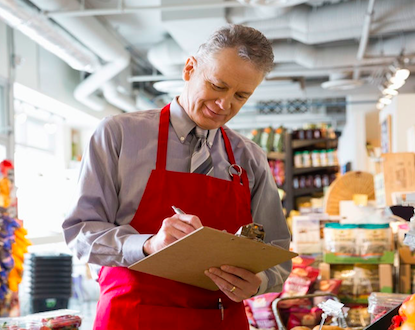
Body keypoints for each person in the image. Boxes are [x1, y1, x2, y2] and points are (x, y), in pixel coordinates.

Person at [63, 24, 291, 330]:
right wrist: (147, 245)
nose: (225, 105)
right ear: (189, 68)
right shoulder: (118, 135)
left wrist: (259, 281)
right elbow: (81, 232)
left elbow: (276, 251)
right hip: (133, 317)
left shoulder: (250, 158)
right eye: (218, 86)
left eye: (241, 96)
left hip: (220, 320)